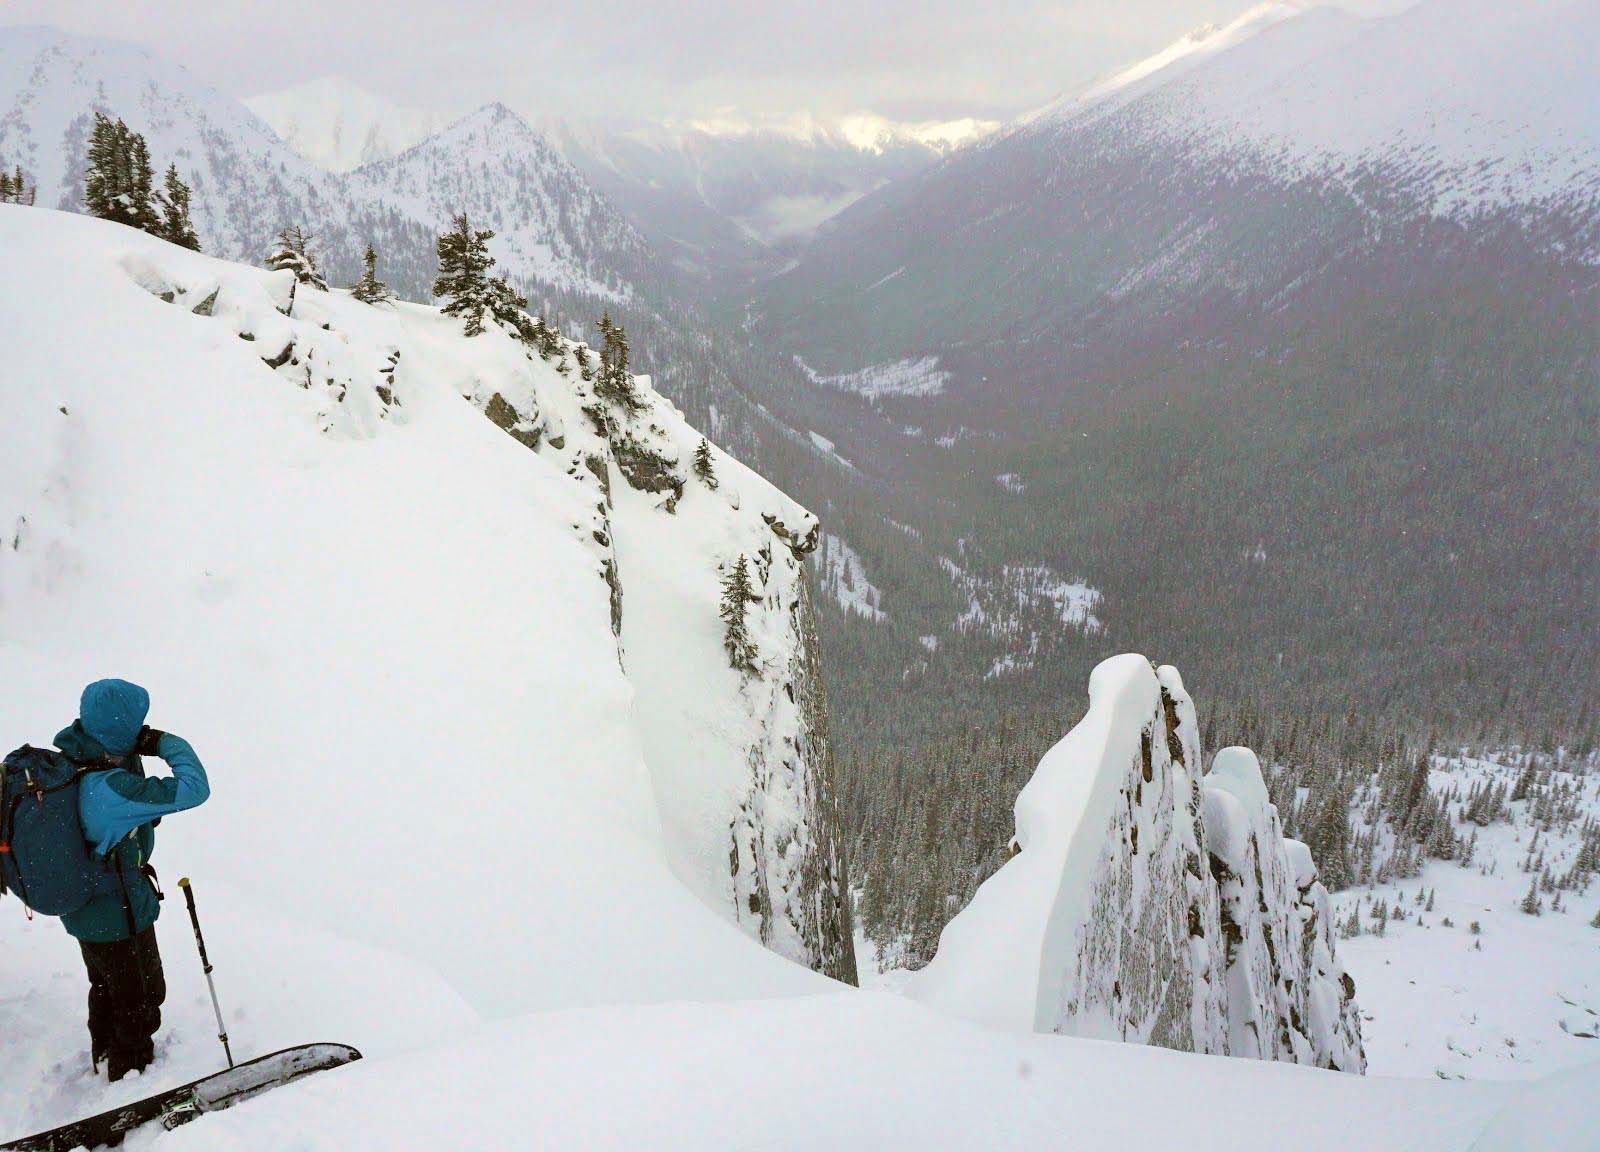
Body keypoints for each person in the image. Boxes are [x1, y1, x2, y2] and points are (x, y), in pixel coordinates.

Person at [50, 679, 211, 1081]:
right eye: (137, 724)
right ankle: (129, 1080)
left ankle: (106, 1060)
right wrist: (164, 742)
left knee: (108, 989)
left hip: (92, 906)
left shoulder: (79, 756)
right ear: (120, 729)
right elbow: (195, 789)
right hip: (113, 911)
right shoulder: (111, 788)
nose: (143, 728)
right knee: (139, 1002)